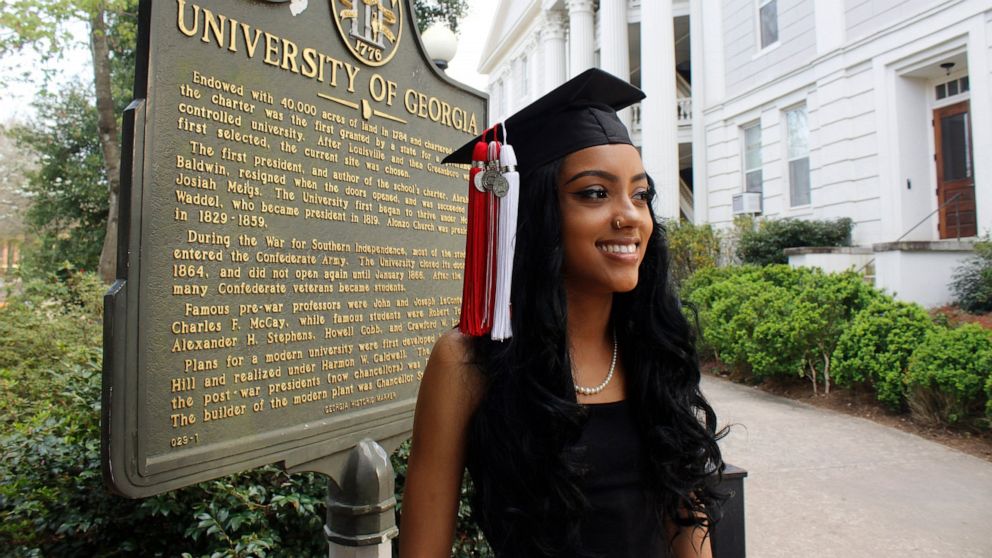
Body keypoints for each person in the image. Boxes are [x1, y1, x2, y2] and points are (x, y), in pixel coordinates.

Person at [399, 69, 725, 558]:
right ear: (538, 213)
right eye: (594, 193)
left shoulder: (652, 347)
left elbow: (686, 516)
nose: (630, 215)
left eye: (640, 194)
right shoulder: (469, 362)